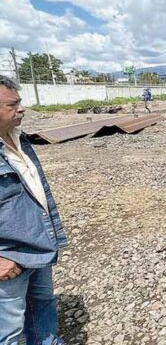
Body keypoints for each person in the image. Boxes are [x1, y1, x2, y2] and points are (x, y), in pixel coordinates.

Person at [0, 76, 68, 345]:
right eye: (12, 104)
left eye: (20, 102)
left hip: (37, 245)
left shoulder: (18, 139)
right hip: (9, 258)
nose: (22, 109)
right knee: (9, 332)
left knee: (43, 306)